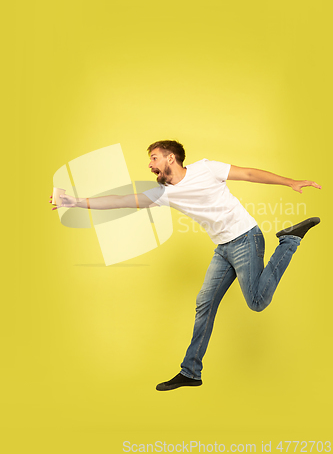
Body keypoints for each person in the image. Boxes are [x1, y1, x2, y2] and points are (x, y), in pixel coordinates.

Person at [50, 140, 321, 391]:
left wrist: (290, 182)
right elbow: (122, 202)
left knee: (257, 302)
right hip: (223, 249)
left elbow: (249, 174)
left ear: (171, 158)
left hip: (245, 238)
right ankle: (191, 372)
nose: (150, 164)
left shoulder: (207, 169)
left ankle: (289, 241)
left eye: (154, 158)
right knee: (205, 303)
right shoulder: (163, 193)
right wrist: (74, 202)